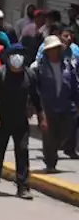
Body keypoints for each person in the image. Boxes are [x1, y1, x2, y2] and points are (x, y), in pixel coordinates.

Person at [0, 44, 38, 198]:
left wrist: (40, 115)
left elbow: (35, 97)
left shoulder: (29, 75)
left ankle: (23, 186)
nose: (17, 57)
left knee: (22, 151)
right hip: (1, 119)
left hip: (20, 120)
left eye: (20, 54)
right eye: (14, 54)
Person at [32, 35, 78, 173]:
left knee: (64, 133)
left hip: (66, 105)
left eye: (56, 49)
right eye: (51, 49)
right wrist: (34, 108)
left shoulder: (68, 65)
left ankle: (54, 151)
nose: (54, 51)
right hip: (47, 106)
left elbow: (74, 84)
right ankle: (50, 162)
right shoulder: (39, 67)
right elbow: (34, 89)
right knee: (49, 135)